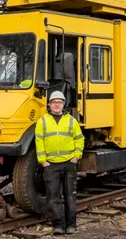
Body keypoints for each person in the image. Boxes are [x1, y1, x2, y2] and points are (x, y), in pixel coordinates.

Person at [36, 90, 85, 235]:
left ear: (63, 104)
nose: (57, 105)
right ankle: (58, 225)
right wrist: (43, 161)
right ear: (49, 104)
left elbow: (79, 139)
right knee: (53, 197)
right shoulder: (43, 121)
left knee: (70, 196)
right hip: (51, 165)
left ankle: (71, 226)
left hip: (69, 163)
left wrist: (76, 156)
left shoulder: (71, 120)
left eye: (59, 102)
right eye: (54, 102)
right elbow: (39, 141)